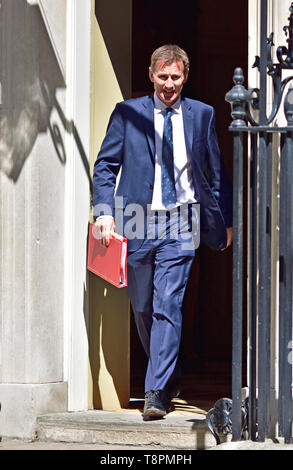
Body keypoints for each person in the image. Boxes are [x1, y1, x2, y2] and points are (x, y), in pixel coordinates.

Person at [92, 44, 233, 421]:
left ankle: (155, 392)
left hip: (182, 219)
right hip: (137, 218)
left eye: (175, 77)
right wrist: (104, 212)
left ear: (185, 77)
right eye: (162, 77)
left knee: (167, 303)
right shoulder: (127, 113)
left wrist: (225, 221)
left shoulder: (201, 114)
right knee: (142, 307)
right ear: (150, 75)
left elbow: (215, 174)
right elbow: (105, 166)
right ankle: (168, 376)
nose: (169, 84)